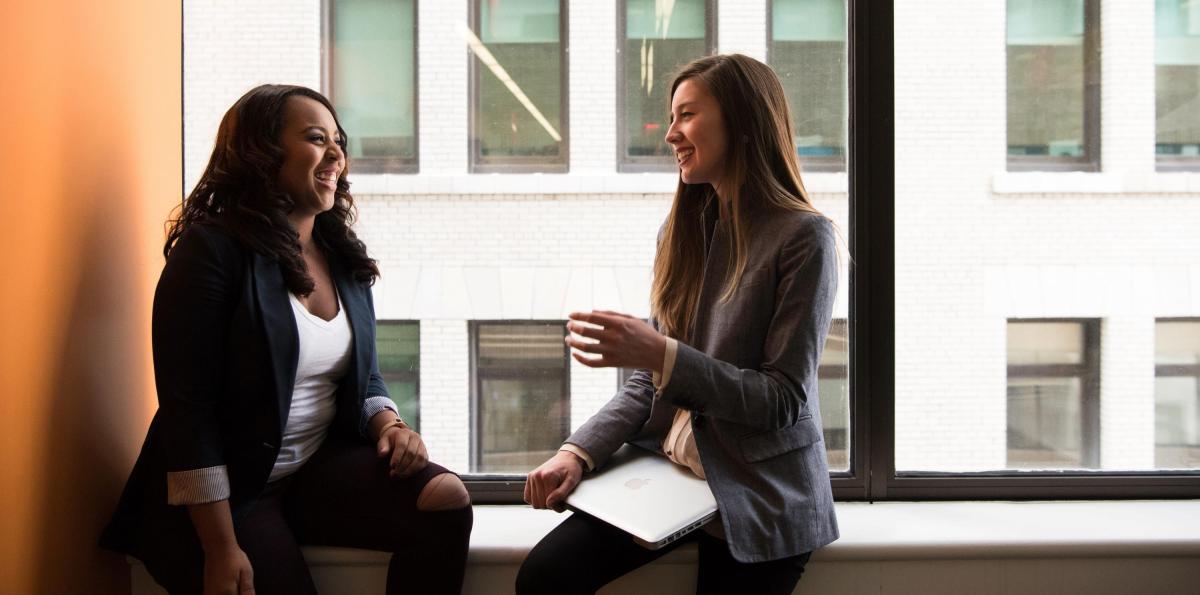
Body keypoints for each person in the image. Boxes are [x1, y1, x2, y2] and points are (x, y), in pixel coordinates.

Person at [100, 84, 472, 595]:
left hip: (311, 470)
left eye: (339, 140)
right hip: (226, 497)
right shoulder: (210, 251)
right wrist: (219, 548)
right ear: (261, 152)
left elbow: (362, 373)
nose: (337, 153)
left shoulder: (340, 253)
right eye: (317, 139)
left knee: (444, 498)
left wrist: (390, 421)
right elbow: (189, 414)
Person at [517, 54, 840, 595]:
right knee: (544, 578)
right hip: (673, 479)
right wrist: (577, 452)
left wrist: (662, 355)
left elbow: (782, 400)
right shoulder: (683, 229)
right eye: (672, 117)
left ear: (742, 121)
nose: (670, 134)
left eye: (686, 115)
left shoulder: (805, 238)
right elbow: (649, 382)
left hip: (760, 491)